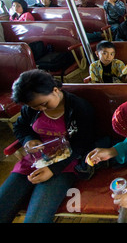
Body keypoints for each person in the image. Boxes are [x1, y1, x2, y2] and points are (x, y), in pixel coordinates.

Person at [0, 69, 96, 223]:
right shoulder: (31, 109)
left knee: (36, 218)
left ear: (55, 90)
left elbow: (83, 143)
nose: (41, 109)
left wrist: (53, 169)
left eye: (44, 104)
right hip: (34, 162)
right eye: (35, 107)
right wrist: (28, 140)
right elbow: (20, 127)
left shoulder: (79, 107)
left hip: (66, 164)